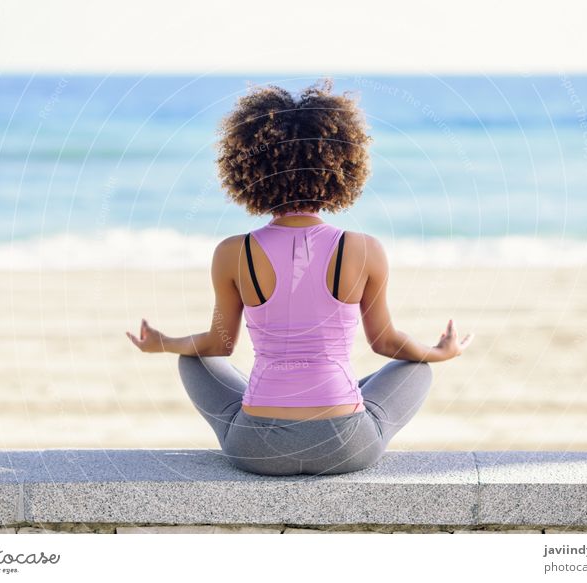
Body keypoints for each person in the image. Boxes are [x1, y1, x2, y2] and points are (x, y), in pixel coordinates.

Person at [126, 78, 474, 476]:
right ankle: (338, 396)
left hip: (257, 449)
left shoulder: (231, 252)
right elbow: (386, 343)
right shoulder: (364, 249)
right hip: (344, 447)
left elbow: (218, 345)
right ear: (342, 164)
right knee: (415, 367)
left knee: (192, 361)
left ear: (249, 169)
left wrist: (162, 343)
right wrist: (441, 352)